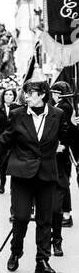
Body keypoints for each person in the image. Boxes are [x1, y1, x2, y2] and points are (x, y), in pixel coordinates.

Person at [0, 79, 69, 273]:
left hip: (46, 174)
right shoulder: (17, 114)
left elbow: (66, 137)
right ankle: (15, 252)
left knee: (45, 220)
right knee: (21, 217)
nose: (26, 96)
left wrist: (74, 127)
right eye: (26, 92)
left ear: (43, 95)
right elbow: (4, 141)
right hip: (22, 174)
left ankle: (42, 260)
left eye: (31, 92)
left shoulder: (58, 115)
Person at [50, 81, 75, 255]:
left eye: (54, 92)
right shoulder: (61, 107)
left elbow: (65, 133)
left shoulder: (63, 108)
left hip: (62, 154)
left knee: (63, 187)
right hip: (58, 155)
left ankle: (66, 215)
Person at [0, 88, 19, 194]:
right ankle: (2, 184)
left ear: (14, 96)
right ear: (3, 96)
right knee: (3, 165)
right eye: (6, 94)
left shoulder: (18, 109)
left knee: (14, 165)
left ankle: (13, 187)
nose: (8, 96)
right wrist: (0, 136)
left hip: (14, 142)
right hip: (3, 141)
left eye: (11, 94)